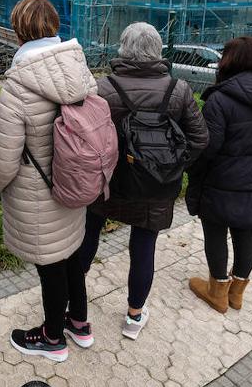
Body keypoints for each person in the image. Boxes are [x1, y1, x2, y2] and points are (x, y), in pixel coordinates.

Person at [70, 22, 208, 340]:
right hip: (156, 186)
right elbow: (200, 139)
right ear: (158, 51)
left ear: (122, 48)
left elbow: (83, 138)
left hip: (109, 182)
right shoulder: (179, 89)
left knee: (89, 235)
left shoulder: (103, 88)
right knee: (144, 245)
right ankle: (134, 317)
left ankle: (71, 300)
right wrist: (172, 165)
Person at [0, 0, 97, 362]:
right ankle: (79, 324)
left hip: (38, 195)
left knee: (50, 265)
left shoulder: (18, 85)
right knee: (71, 255)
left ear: (19, 31)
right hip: (76, 185)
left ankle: (52, 338)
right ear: (52, 26)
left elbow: (3, 160)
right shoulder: (80, 71)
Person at [186, 36, 252, 314]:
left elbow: (208, 148)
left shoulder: (221, 100)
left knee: (216, 231)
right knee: (246, 231)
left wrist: (191, 170)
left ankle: (217, 291)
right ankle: (237, 293)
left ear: (229, 63)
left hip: (224, 181)